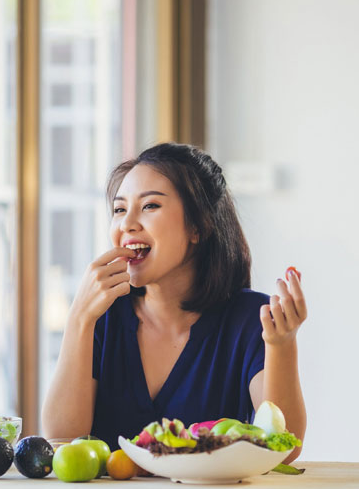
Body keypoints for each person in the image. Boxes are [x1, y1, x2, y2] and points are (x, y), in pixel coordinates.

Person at [41, 143, 307, 464]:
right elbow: (61, 440)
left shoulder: (250, 319)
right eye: (120, 209)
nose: (127, 224)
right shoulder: (103, 315)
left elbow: (284, 449)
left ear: (198, 225)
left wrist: (282, 344)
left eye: (150, 206)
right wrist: (79, 319)